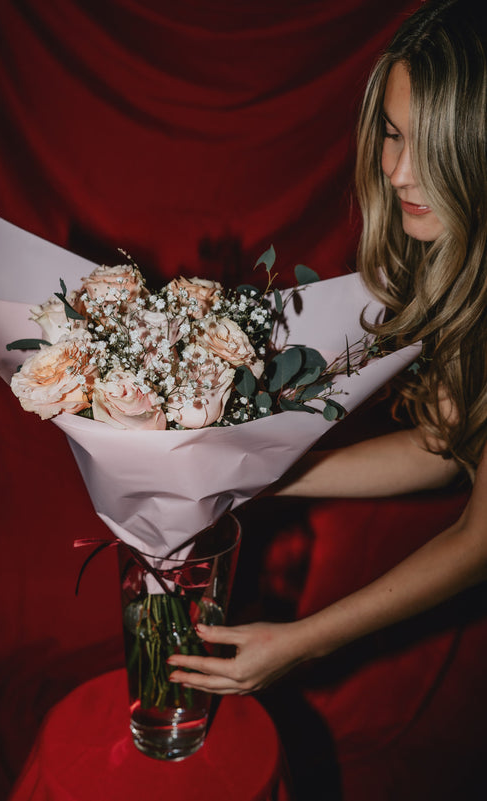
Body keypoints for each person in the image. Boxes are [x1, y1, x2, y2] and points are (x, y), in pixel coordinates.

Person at [166, 0, 487, 695]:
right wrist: (253, 473)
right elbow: (442, 442)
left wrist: (299, 644)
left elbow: (478, 540)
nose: (399, 173)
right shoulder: (459, 262)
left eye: (432, 147)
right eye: (393, 135)